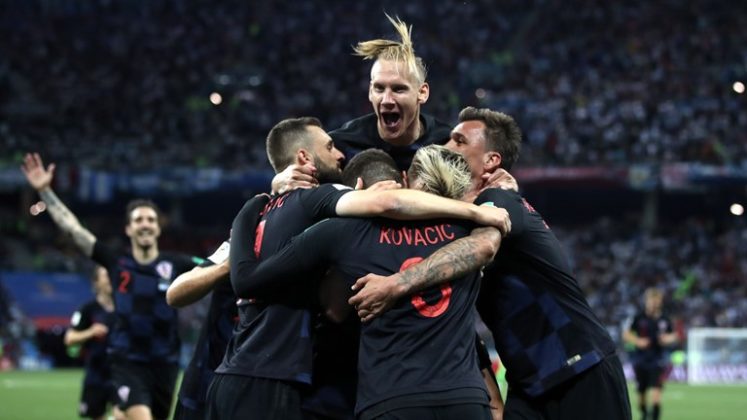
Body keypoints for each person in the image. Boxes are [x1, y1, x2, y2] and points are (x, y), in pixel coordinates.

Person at [206, 117, 510, 420]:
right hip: (464, 396)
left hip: (389, 398)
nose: (338, 153)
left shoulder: (344, 232)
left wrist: (252, 211)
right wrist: (479, 208)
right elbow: (484, 249)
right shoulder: (468, 232)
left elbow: (333, 309)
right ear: (399, 182)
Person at [348, 107, 632, 420]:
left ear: (491, 161)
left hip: (580, 367)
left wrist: (395, 284)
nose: (447, 146)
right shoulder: (458, 221)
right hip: (530, 383)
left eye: (459, 141)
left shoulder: (498, 200)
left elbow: (482, 247)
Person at [21, 153, 202, 420]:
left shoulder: (177, 263)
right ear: (128, 229)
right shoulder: (116, 262)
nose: (145, 225)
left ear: (158, 228)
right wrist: (45, 192)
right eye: (138, 220)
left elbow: (214, 265)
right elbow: (74, 230)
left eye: (150, 220)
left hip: (166, 363)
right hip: (127, 361)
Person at [272, 15, 452, 194]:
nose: (387, 100)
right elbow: (295, 188)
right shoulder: (342, 145)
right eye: (379, 88)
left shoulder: (447, 142)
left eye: (398, 89)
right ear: (370, 91)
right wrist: (277, 185)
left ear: (422, 93)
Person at [165, 238, 235, 420]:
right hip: (206, 378)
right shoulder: (236, 244)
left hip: (258, 382)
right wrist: (226, 266)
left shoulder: (298, 251)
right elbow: (175, 294)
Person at [64, 265, 123, 420]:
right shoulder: (88, 309)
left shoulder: (124, 307)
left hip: (122, 373)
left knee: (124, 414)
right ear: (96, 282)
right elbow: (69, 338)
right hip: (96, 374)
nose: (110, 279)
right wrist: (90, 331)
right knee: (96, 415)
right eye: (106, 275)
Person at [623, 288, 678, 420]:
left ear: (660, 302)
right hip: (640, 360)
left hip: (658, 360)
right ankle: (644, 414)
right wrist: (638, 341)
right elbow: (626, 334)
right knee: (641, 395)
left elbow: (674, 335)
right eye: (651, 301)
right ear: (646, 301)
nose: (654, 304)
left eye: (656, 301)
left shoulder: (665, 318)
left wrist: (668, 339)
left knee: (656, 395)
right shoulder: (638, 317)